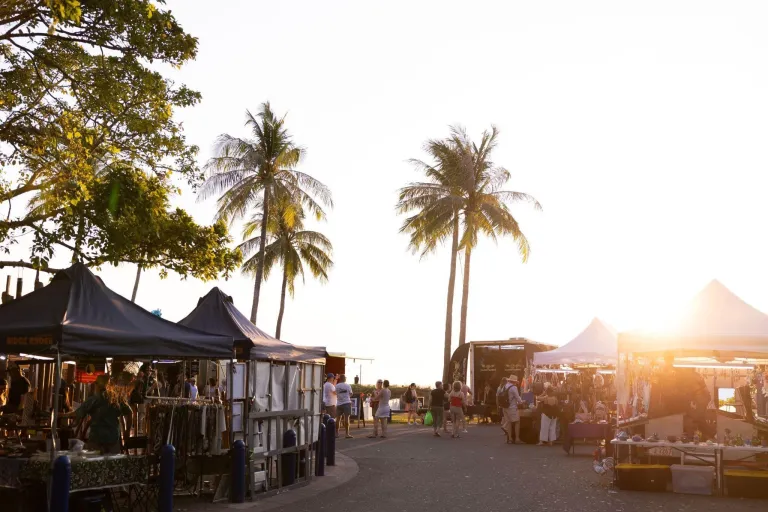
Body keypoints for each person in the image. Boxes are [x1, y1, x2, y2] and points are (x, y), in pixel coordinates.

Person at [65, 374, 132, 454]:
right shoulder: (117, 399)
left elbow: (76, 414)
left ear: (97, 385)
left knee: (95, 463)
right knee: (113, 463)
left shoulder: (93, 400)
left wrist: (61, 415)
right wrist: (127, 431)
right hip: (113, 438)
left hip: (97, 439)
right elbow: (130, 413)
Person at [503, 375, 524, 444]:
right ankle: (517, 439)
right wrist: (522, 402)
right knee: (517, 422)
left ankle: (510, 438)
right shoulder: (513, 387)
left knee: (509, 422)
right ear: (514, 382)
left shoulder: (505, 386)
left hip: (505, 407)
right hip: (512, 407)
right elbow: (518, 398)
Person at [335, 374, 353, 439]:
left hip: (339, 403)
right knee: (346, 418)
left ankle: (336, 433)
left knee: (338, 419)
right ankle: (347, 434)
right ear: (344, 378)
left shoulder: (336, 386)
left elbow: (335, 393)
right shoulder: (348, 386)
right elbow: (351, 394)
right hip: (347, 402)